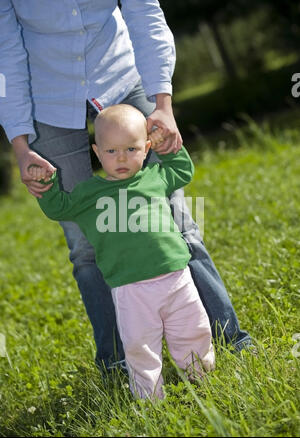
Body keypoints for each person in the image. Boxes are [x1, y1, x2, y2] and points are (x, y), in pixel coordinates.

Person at [0, 1, 251, 373]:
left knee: (177, 223)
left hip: (121, 77)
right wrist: (20, 144)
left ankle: (230, 338)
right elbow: (6, 53)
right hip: (47, 102)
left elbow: (144, 13)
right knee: (85, 247)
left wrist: (162, 102)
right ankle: (117, 362)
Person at [29, 104, 215, 399]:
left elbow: (183, 171)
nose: (122, 158)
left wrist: (169, 149)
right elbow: (58, 208)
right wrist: (46, 184)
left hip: (177, 278)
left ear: (146, 148)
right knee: (140, 346)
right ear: (97, 151)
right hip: (131, 289)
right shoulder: (89, 194)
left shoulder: (155, 176)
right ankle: (149, 398)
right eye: (112, 151)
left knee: (192, 330)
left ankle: (201, 379)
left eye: (131, 148)